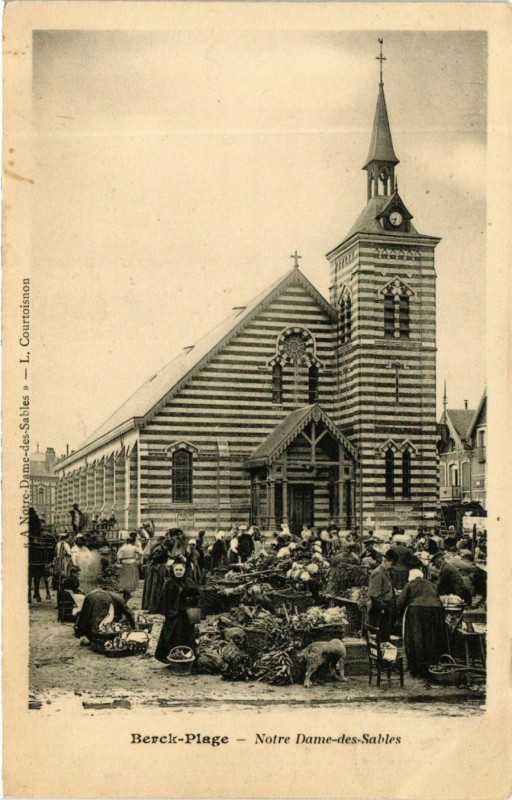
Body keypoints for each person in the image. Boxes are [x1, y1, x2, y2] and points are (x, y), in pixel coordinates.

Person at [397, 568, 448, 677]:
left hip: (417, 610)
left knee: (416, 638)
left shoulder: (410, 584)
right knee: (431, 637)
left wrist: (398, 615)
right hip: (435, 611)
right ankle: (431, 665)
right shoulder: (431, 584)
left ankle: (417, 668)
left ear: (411, 576)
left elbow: (400, 602)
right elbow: (437, 598)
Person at [155, 557, 201, 664]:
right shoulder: (169, 583)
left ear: (184, 571)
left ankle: (187, 657)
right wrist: (165, 613)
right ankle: (171, 657)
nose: (178, 572)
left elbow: (197, 595)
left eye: (181, 570)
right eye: (176, 570)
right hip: (172, 615)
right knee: (171, 636)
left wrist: (189, 600)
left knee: (186, 636)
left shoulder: (188, 582)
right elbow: (164, 599)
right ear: (173, 571)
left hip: (185, 615)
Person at [367, 550, 398, 642]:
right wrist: (383, 608)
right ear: (385, 561)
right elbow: (375, 594)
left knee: (386, 634)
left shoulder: (385, 572)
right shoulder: (378, 572)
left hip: (386, 606)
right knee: (382, 635)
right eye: (392, 564)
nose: (393, 567)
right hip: (381, 609)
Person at [141, 534, 167, 612]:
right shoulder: (158, 548)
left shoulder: (159, 547)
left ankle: (154, 606)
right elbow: (153, 558)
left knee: (155, 587)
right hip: (155, 569)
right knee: (154, 587)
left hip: (157, 568)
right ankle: (152, 606)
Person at [116, 532, 143, 602]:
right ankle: (128, 591)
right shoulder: (134, 547)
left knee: (125, 577)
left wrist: (121, 560)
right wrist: (138, 559)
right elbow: (141, 553)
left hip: (125, 562)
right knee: (132, 576)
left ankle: (126, 590)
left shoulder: (122, 548)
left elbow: (118, 556)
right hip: (132, 561)